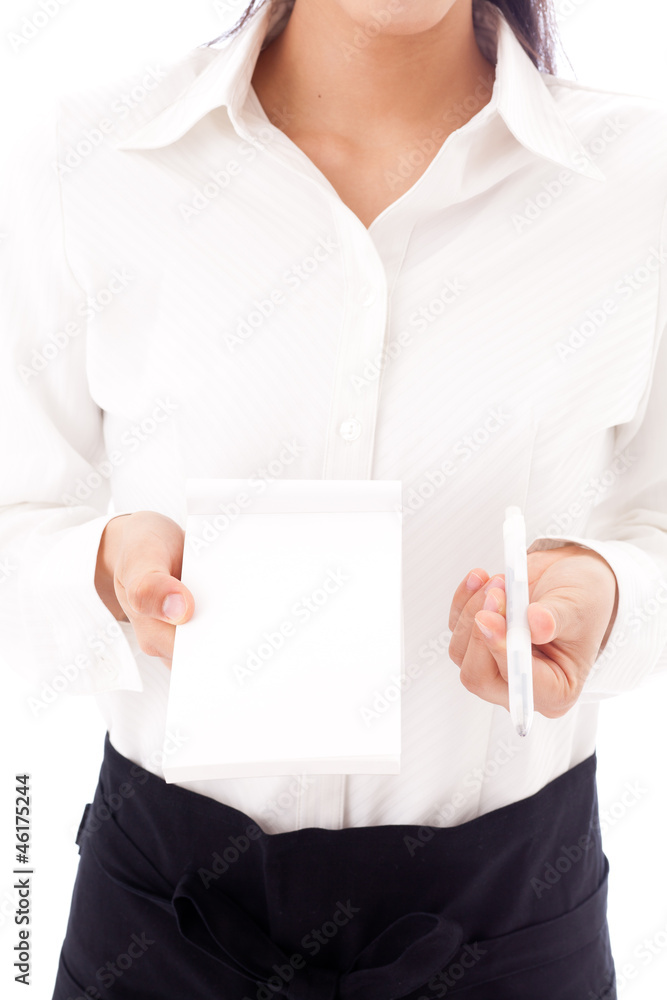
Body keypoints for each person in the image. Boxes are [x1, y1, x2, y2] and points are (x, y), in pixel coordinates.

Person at [1, 0, 666, 996]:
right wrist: (103, 572)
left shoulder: (637, 182)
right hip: (164, 928)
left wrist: (608, 595)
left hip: (509, 930)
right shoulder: (89, 157)